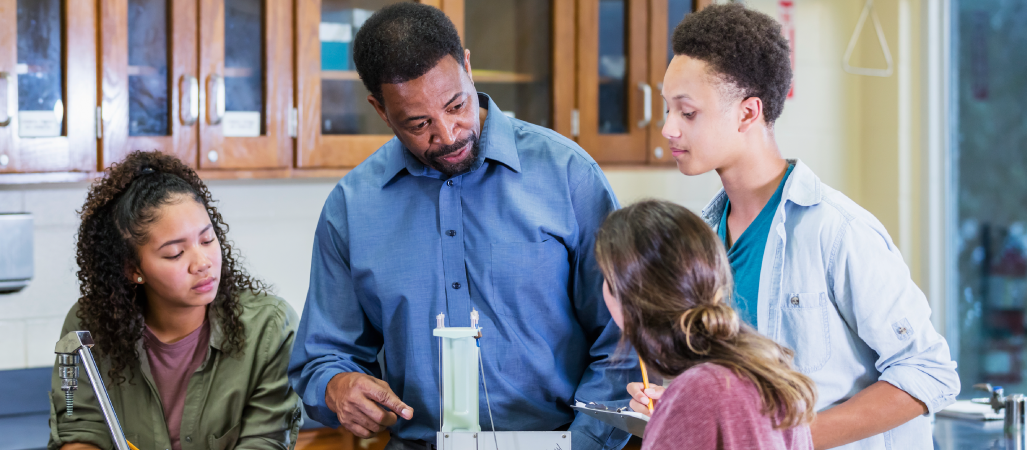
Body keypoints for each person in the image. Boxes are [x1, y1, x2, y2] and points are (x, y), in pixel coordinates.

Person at [287, 4, 634, 450]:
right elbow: (322, 358)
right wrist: (336, 387)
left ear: (467, 67)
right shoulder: (351, 207)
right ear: (381, 110)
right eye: (419, 124)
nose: (449, 134)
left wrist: (581, 444)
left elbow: (625, 340)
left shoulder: (568, 176)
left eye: (457, 105)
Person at [627, 4, 960, 449]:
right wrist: (682, 402)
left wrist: (786, 438)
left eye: (687, 113)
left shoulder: (838, 231)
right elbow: (739, 397)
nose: (668, 128)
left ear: (748, 113)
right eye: (667, 109)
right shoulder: (702, 240)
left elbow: (929, 372)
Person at [49, 151, 301, 450]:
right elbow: (80, 431)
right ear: (133, 269)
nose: (202, 263)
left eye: (207, 239)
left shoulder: (269, 328)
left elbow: (266, 440)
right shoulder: (89, 326)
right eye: (175, 253)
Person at [597, 199, 816, 449]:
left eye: (606, 276)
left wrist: (679, 414)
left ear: (628, 296)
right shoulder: (767, 370)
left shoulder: (697, 393)